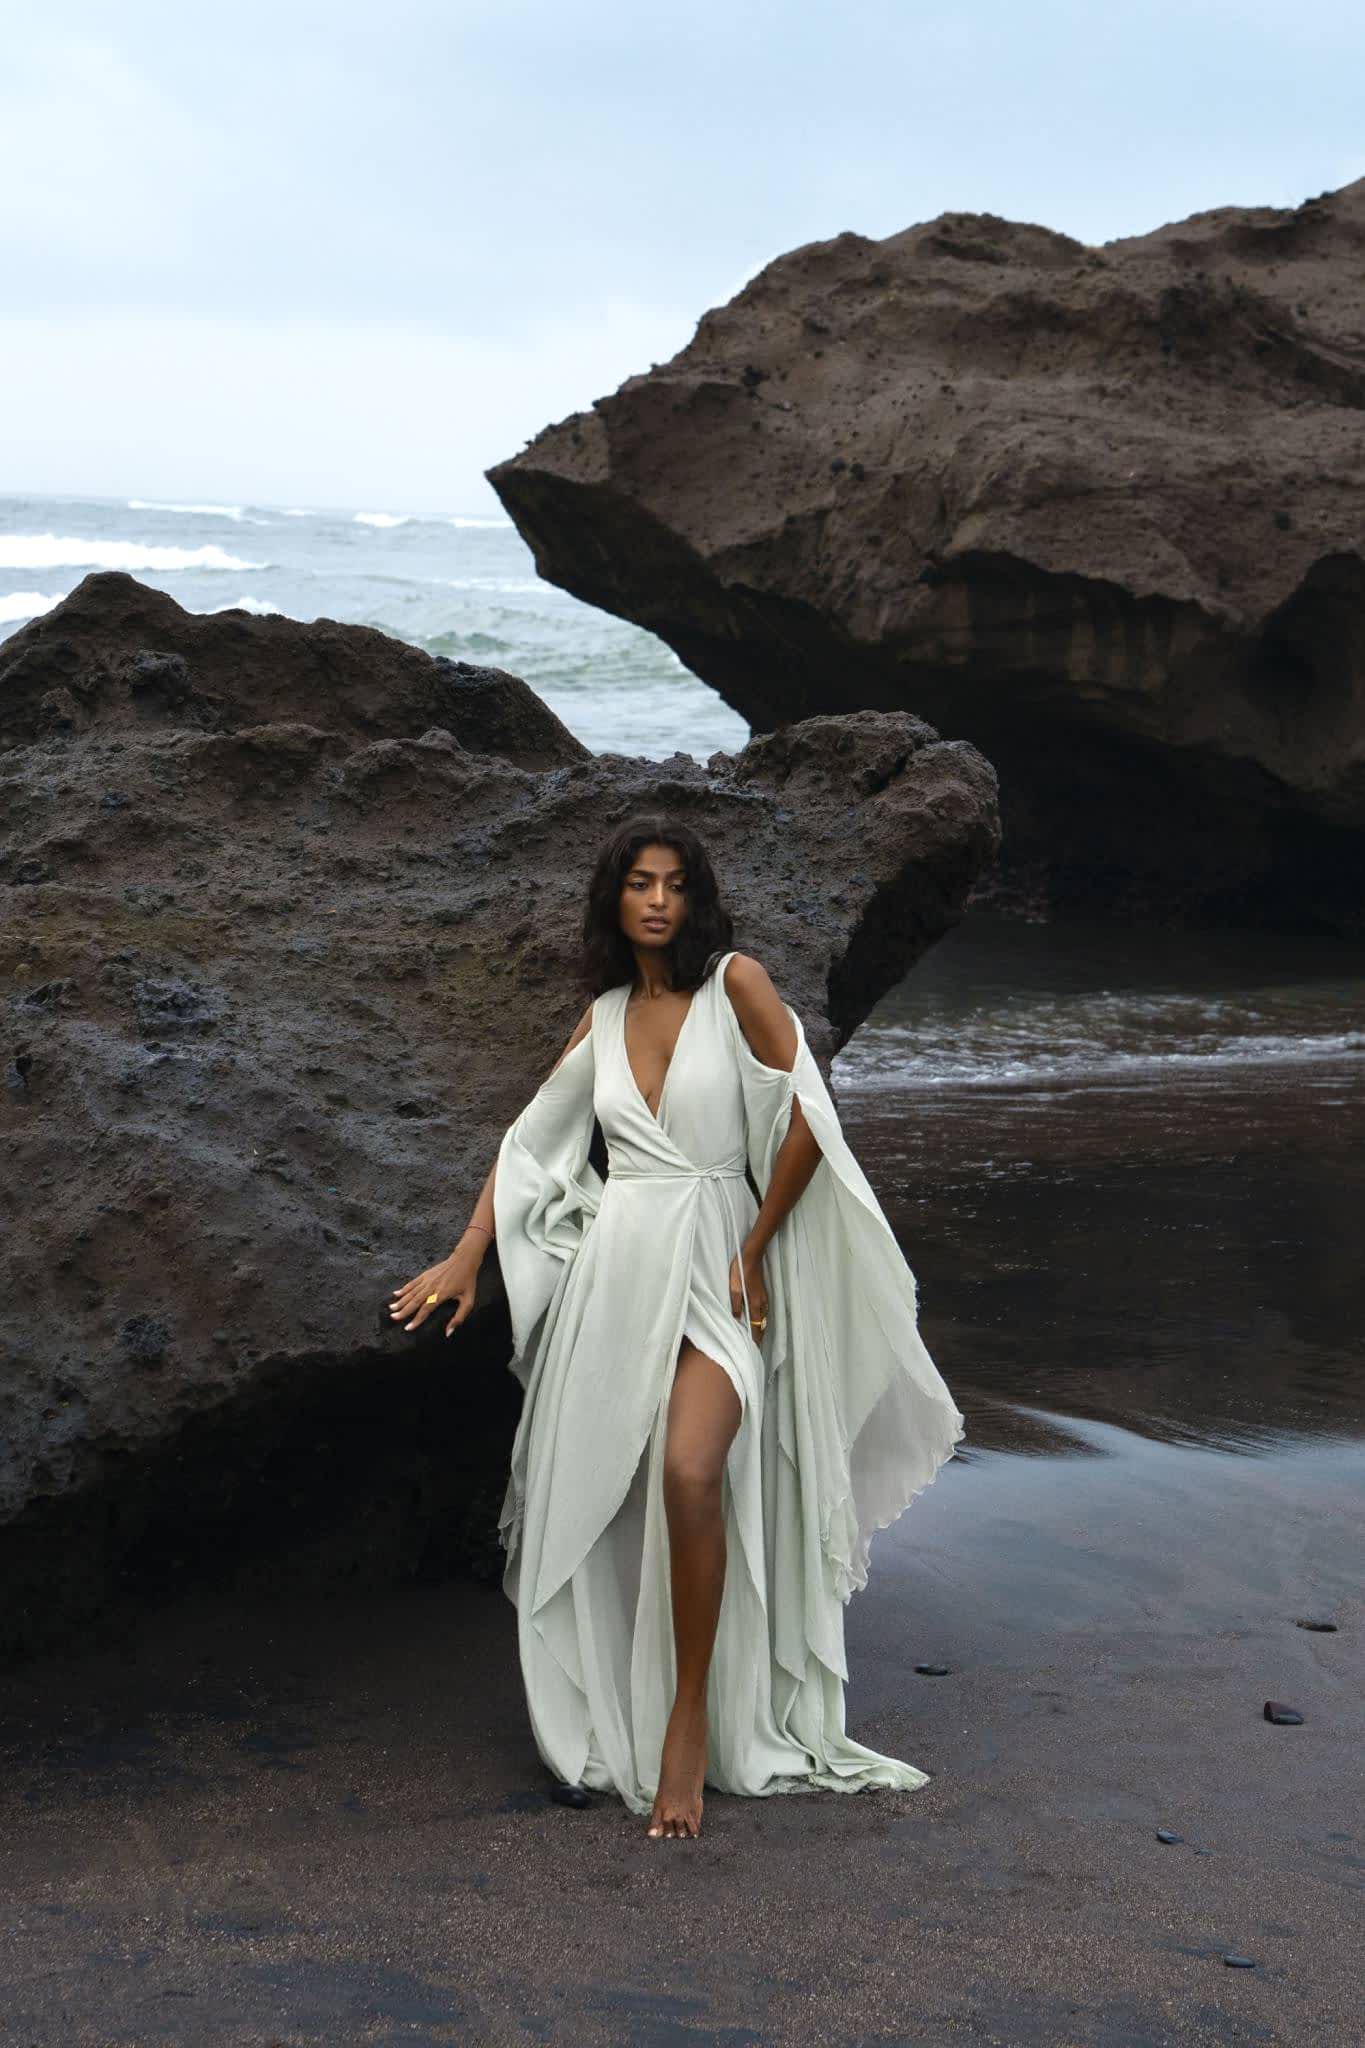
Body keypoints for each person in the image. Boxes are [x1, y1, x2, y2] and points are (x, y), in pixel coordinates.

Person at [389, 815, 966, 1840]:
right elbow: (533, 1144)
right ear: (615, 900)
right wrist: (467, 1255)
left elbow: (804, 1113)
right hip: (619, 1275)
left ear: (696, 900)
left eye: (674, 884)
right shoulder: (603, 1015)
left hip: (718, 1262)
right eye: (638, 883)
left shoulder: (735, 984)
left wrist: (755, 1246)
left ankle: (690, 1717)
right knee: (613, 1497)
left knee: (693, 1471)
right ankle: (622, 1696)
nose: (657, 900)